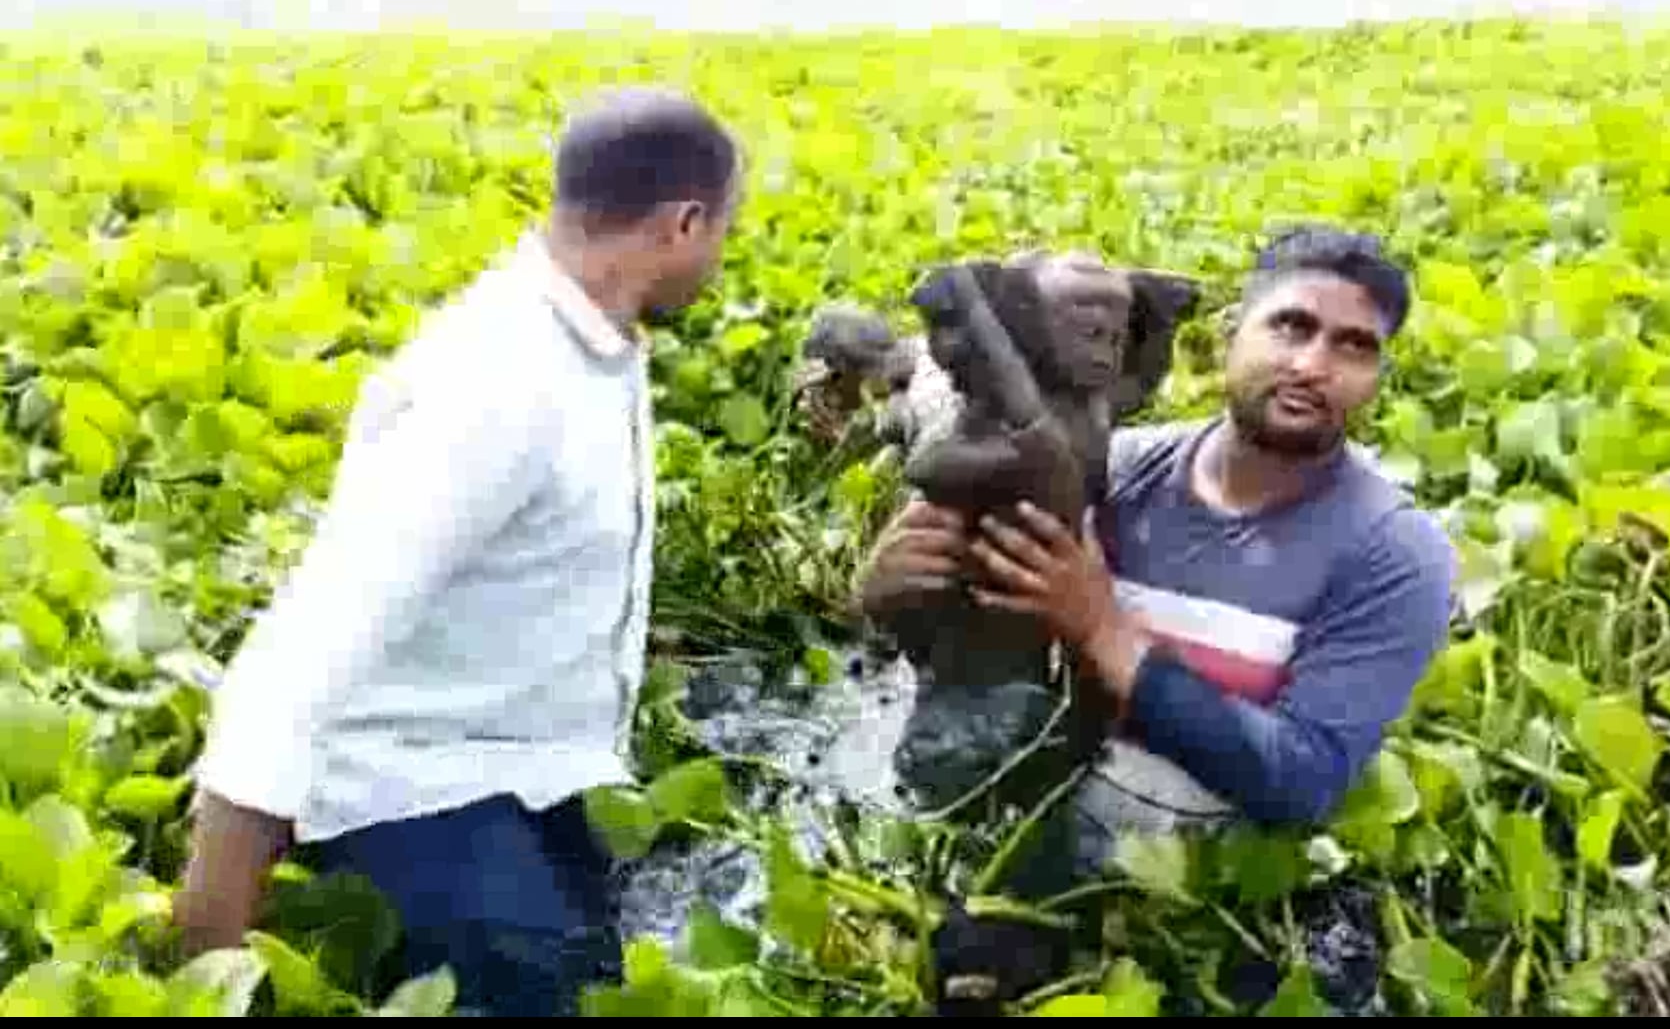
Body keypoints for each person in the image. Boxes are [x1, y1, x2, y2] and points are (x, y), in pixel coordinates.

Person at [170, 87, 742, 1016]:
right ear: (684, 224)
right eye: (721, 233)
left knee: (611, 966)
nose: (717, 260)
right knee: (540, 989)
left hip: (537, 767)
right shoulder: (499, 380)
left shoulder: (594, 339)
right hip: (415, 783)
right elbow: (302, 652)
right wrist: (204, 959)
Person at [854, 225, 1457, 1009]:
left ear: (1375, 374)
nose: (1313, 365)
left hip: (1205, 900)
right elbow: (968, 656)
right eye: (1291, 326)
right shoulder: (1113, 467)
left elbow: (1301, 780)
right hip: (1027, 841)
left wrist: (1105, 632)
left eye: (1354, 346)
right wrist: (884, 595)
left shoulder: (1395, 552)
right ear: (1227, 334)